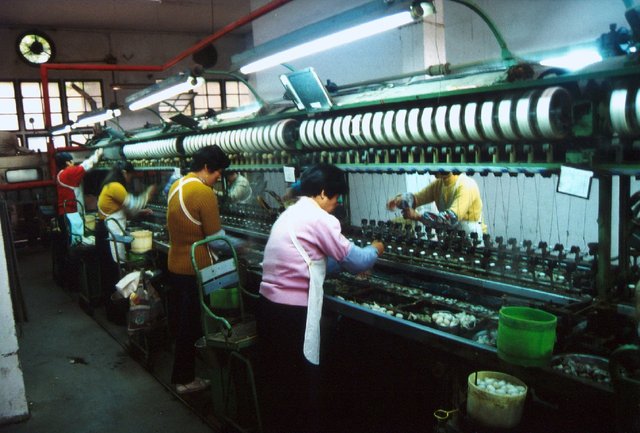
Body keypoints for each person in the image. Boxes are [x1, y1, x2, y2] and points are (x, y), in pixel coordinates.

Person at [256, 163, 384, 433]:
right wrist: (375, 249)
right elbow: (359, 261)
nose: (338, 204)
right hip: (292, 313)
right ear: (324, 193)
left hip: (269, 307)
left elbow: (314, 260)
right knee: (300, 383)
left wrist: (345, 265)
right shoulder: (319, 218)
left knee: (280, 379)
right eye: (337, 197)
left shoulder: (292, 213)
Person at [166, 145, 230, 394]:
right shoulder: (204, 192)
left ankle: (187, 372)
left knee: (185, 323)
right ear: (206, 167)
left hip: (176, 264)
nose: (219, 177)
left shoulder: (177, 185)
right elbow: (216, 240)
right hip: (196, 268)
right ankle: (186, 379)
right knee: (193, 325)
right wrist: (241, 246)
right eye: (218, 172)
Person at [95, 161, 156, 316]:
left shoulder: (110, 185)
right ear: (124, 173)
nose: (130, 179)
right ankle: (116, 314)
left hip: (106, 231)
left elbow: (123, 209)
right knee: (113, 274)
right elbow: (134, 204)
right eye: (130, 176)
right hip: (109, 233)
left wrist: (140, 212)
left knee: (110, 273)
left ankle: (114, 312)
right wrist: (148, 193)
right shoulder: (116, 186)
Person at [387, 172, 486, 240]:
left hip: (472, 240)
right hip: (451, 238)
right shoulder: (439, 184)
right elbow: (417, 199)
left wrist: (418, 216)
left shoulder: (466, 185)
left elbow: (450, 219)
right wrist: (400, 201)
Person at [55, 148, 103, 241]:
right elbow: (84, 166)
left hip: (67, 213)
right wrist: (97, 155)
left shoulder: (62, 174)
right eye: (72, 161)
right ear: (68, 162)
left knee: (73, 241)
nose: (74, 164)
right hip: (70, 214)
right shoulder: (68, 173)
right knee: (76, 241)